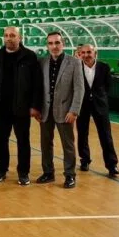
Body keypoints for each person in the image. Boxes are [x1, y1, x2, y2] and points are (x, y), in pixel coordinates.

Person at [0, 27, 43, 186]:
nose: (9, 38)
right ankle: (1, 170)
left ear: (19, 37)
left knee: (23, 141)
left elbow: (37, 83)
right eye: (6, 35)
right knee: (1, 140)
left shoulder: (29, 56)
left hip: (22, 108)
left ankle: (23, 173)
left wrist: (35, 106)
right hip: (0, 107)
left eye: (13, 35)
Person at [37, 32, 84, 189]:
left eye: (57, 43)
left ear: (63, 44)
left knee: (68, 145)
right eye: (50, 43)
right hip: (45, 110)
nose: (54, 46)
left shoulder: (74, 63)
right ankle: (48, 173)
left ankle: (70, 175)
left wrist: (74, 111)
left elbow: (79, 89)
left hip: (65, 111)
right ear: (47, 46)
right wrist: (37, 108)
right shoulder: (42, 62)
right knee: (45, 144)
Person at [76, 44, 119, 177]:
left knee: (106, 135)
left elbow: (107, 86)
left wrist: (99, 98)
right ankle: (85, 160)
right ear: (80, 54)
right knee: (82, 134)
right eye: (83, 52)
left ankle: (112, 165)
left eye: (89, 52)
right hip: (82, 105)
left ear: (95, 53)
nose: (86, 55)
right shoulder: (77, 67)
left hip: (100, 105)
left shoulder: (104, 67)